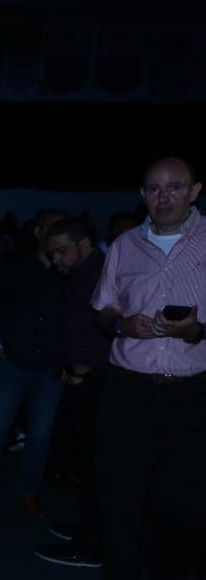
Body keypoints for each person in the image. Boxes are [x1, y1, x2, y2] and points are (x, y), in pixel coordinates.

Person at [91, 157, 205, 580]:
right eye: (154, 189)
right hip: (129, 389)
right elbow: (103, 311)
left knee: (185, 503)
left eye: (174, 187)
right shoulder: (124, 246)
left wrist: (198, 330)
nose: (163, 197)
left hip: (191, 392)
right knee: (119, 495)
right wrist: (123, 325)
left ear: (194, 191)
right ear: (142, 195)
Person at [0, 208, 68, 516]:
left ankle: (29, 492)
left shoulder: (68, 272)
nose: (55, 236)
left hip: (51, 368)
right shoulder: (16, 268)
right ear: (38, 232)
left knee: (40, 435)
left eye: (61, 230)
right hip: (13, 364)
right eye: (50, 229)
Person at [34, 218, 110, 569]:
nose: (57, 260)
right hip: (84, 380)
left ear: (84, 243)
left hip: (97, 383)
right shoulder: (82, 275)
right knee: (89, 464)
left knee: (98, 467)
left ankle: (93, 544)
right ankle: (88, 530)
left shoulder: (100, 274)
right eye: (52, 254)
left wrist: (84, 368)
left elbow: (107, 329)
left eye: (62, 251)